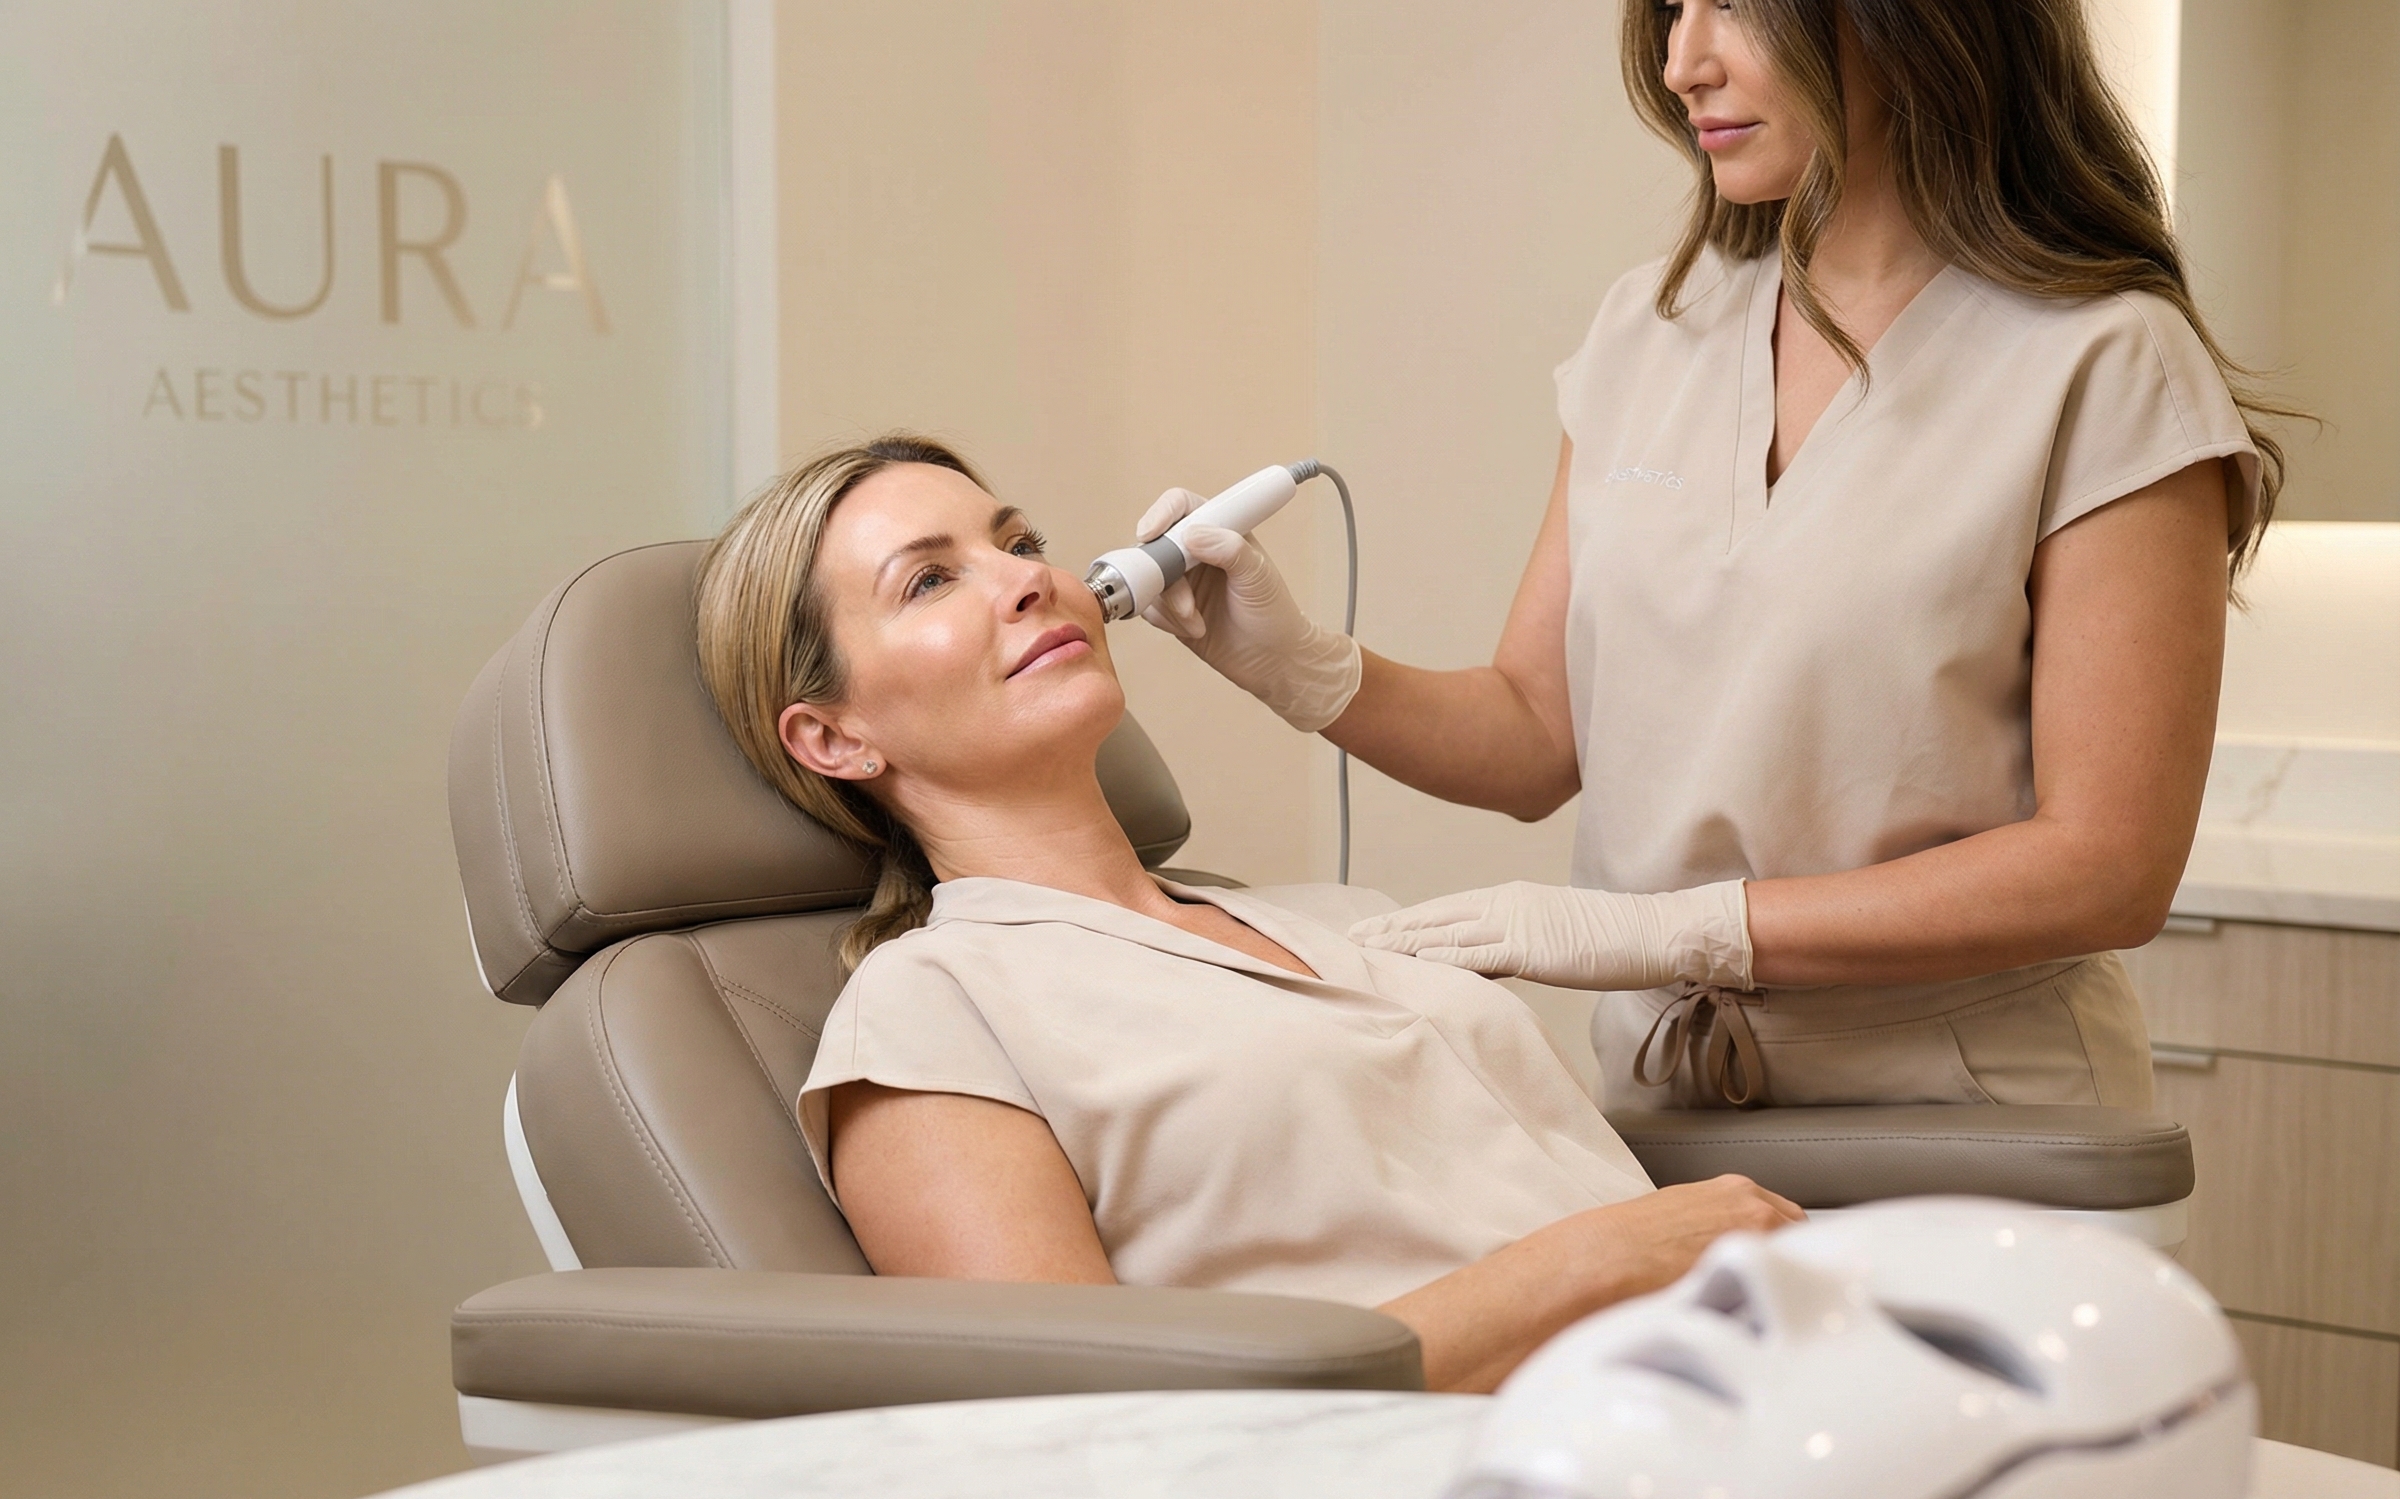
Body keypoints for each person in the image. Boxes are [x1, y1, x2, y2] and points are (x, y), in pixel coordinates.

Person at [1136, 0, 2288, 1113]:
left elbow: (2109, 866)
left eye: (1734, 3)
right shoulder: (1654, 329)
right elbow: (1537, 731)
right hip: (1663, 1110)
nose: (1684, 60)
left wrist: (1688, 928)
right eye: (1673, 5)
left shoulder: (2103, 358)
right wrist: (1300, 670)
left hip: (1970, 1117)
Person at [694, 436, 1802, 1394]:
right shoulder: (931, 1010)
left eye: (1019, 544)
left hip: (1763, 1376)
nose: (1027, 581)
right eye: (929, 582)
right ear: (833, 739)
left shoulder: (1338, 921)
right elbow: (1084, 1415)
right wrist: (1598, 1263)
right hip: (1511, 1484)